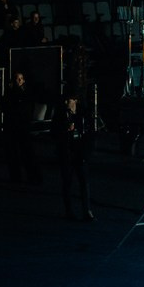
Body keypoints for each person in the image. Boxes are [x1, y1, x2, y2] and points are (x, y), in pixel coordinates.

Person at [54, 93, 95, 222]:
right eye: (66, 100)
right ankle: (69, 211)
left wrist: (86, 153)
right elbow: (54, 133)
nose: (66, 103)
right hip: (67, 153)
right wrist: (64, 130)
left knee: (84, 182)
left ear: (75, 100)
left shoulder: (83, 114)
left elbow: (90, 135)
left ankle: (87, 211)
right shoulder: (61, 114)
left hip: (80, 153)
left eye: (69, 100)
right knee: (68, 183)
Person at [3, 71, 43, 186]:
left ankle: (32, 177)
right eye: (17, 78)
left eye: (21, 78)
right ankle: (18, 177)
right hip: (14, 126)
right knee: (15, 153)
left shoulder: (25, 92)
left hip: (22, 126)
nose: (19, 80)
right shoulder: (11, 93)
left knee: (27, 153)